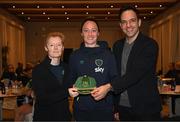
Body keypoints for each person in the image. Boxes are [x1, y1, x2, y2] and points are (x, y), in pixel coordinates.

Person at [91, 5, 162, 121]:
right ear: (120, 26)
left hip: (146, 109)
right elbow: (116, 74)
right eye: (124, 22)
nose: (128, 25)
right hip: (123, 108)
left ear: (139, 22)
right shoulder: (117, 46)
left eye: (132, 21)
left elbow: (135, 74)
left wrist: (109, 87)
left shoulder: (150, 45)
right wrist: (116, 107)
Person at [68, 18, 117, 121]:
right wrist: (71, 89)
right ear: (81, 33)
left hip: (104, 110)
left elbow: (116, 80)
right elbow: (70, 80)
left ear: (98, 33)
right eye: (86, 30)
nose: (90, 34)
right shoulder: (74, 56)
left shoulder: (109, 55)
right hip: (81, 110)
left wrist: (107, 88)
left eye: (93, 30)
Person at [32, 32, 71, 121]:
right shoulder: (38, 70)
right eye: (52, 45)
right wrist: (67, 92)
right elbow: (42, 98)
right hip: (45, 117)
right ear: (46, 48)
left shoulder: (67, 68)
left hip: (64, 117)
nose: (56, 48)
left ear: (63, 47)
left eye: (59, 45)